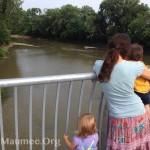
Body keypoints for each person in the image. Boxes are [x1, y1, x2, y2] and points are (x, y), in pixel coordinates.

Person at [93, 33, 150, 149]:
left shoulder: (99, 66)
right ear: (128, 50)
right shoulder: (135, 66)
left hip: (117, 120)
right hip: (138, 116)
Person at [129, 43, 150, 119]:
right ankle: (148, 120)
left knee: (134, 108)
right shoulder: (142, 64)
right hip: (146, 90)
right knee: (146, 105)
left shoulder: (129, 64)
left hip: (136, 91)